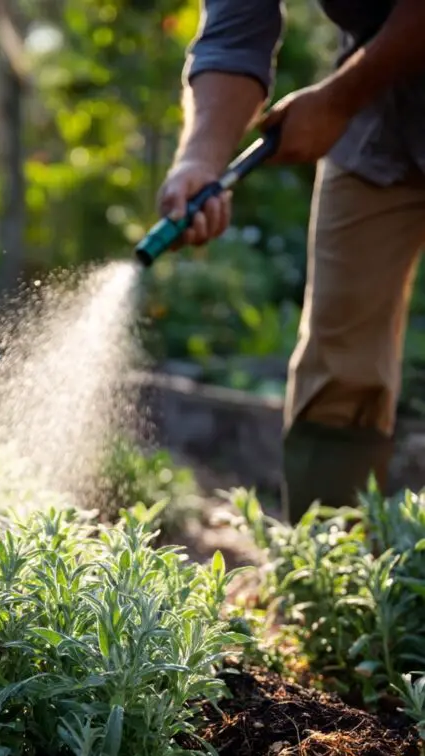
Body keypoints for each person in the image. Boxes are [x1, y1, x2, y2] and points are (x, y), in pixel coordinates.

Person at [159, 1, 425, 522]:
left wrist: (337, 99)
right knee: (340, 361)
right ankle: (324, 577)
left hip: (363, 93)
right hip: (380, 124)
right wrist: (200, 159)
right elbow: (236, 32)